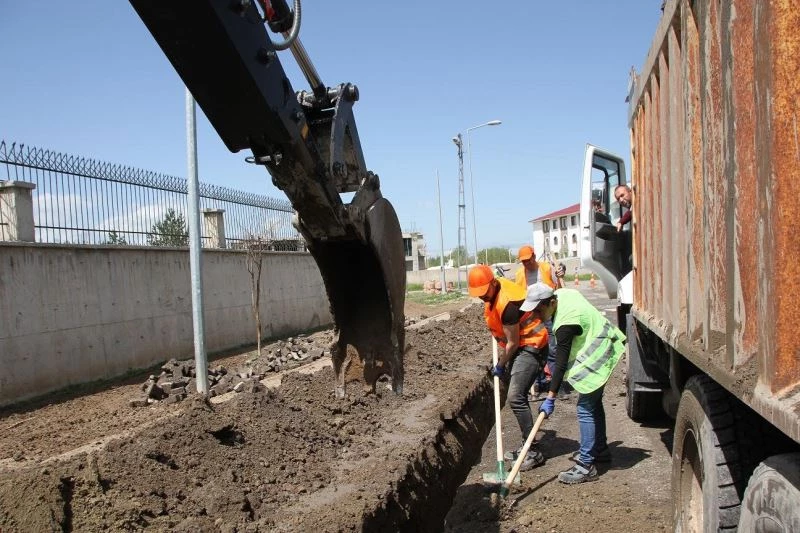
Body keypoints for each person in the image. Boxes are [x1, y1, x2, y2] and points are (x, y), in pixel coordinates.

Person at [521, 282, 626, 484]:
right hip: (605, 344)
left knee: (585, 408)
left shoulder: (564, 324)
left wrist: (550, 397)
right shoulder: (563, 294)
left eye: (538, 310)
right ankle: (600, 449)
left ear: (551, 302)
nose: (536, 315)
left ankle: (586, 465)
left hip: (599, 356)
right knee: (593, 404)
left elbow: (559, 365)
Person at [467, 265, 550, 471]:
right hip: (521, 346)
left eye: (484, 292)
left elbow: (512, 343)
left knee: (515, 397)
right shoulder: (495, 292)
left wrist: (500, 364)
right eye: (478, 294)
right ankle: (527, 445)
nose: (482, 297)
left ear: (493, 283)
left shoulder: (508, 305)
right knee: (516, 396)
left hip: (531, 346)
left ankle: (532, 451)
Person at [514, 245, 559, 399]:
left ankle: (555, 384)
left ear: (534, 256)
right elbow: (518, 295)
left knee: (552, 348)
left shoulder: (546, 268)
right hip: (533, 316)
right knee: (536, 347)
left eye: (528, 260)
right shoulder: (520, 274)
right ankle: (539, 382)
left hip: (548, 311)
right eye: (523, 261)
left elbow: (557, 284)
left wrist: (560, 274)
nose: (526, 263)